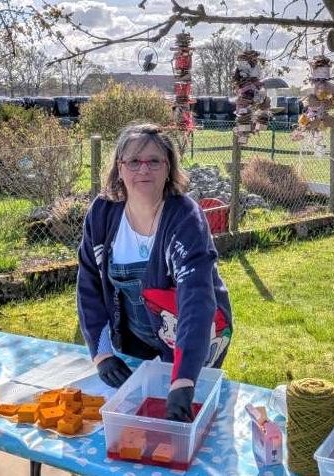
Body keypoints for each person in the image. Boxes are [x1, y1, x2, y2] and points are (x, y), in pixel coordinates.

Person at [77, 123, 232, 422]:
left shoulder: (186, 217)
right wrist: (102, 353)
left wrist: (184, 379)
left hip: (194, 334)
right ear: (119, 169)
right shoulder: (102, 214)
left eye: (154, 161)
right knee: (139, 415)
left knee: (191, 420)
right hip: (134, 338)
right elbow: (89, 285)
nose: (143, 170)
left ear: (168, 168)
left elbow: (196, 300)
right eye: (133, 161)